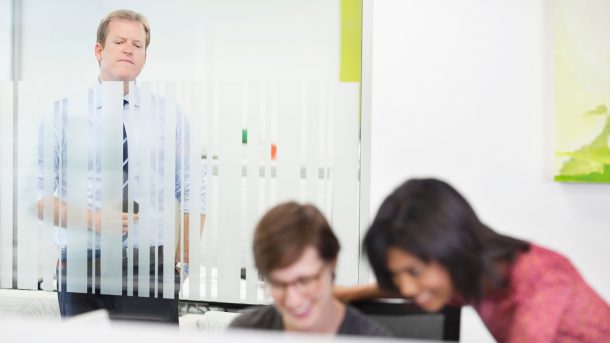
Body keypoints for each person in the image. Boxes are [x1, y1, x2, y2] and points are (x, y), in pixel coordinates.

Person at [37, 9, 205, 323]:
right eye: (119, 41)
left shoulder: (170, 116)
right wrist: (95, 220)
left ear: (145, 56)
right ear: (99, 50)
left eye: (138, 44)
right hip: (81, 268)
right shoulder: (62, 115)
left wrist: (182, 264)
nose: (129, 48)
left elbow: (195, 190)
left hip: (151, 270)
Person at [337, 178, 610, 342]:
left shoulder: (540, 279)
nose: (407, 288)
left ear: (451, 249)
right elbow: (408, 288)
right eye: (397, 276)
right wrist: (351, 293)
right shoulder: (472, 277)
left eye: (415, 272)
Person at [229, 202, 389, 337]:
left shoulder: (370, 338)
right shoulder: (245, 333)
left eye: (304, 281)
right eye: (278, 283)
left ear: (332, 263)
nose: (293, 300)